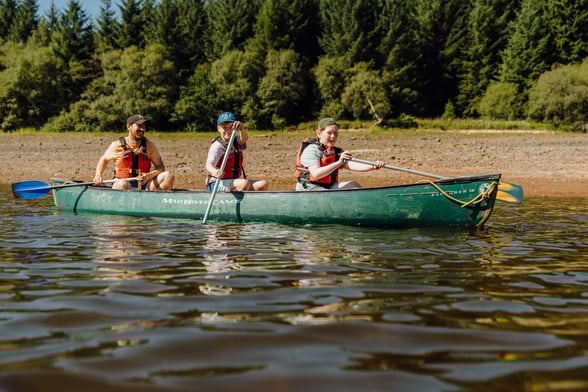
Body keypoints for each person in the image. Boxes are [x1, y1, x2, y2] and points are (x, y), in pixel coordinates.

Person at [295, 117, 385, 191]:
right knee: (328, 194)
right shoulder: (312, 149)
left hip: (327, 186)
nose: (333, 136)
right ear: (319, 134)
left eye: (335, 133)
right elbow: (316, 174)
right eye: (329, 133)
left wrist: (372, 166)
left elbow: (351, 165)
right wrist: (339, 163)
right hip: (309, 187)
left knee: (354, 185)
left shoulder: (335, 152)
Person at [93, 114, 175, 190]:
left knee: (169, 176)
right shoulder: (116, 145)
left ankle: (153, 201)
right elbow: (103, 159)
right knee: (122, 183)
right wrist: (98, 176)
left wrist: (148, 175)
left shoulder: (149, 145)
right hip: (123, 184)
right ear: (129, 127)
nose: (142, 129)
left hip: (145, 185)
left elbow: (160, 167)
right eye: (139, 126)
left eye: (143, 126)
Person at [205, 112, 268, 192]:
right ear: (219, 128)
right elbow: (208, 164)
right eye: (224, 127)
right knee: (244, 184)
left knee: (262, 184)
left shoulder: (236, 140)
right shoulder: (217, 146)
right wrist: (215, 171)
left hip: (232, 181)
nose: (228, 130)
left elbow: (244, 139)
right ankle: (233, 203)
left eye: (231, 127)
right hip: (216, 183)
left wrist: (241, 129)